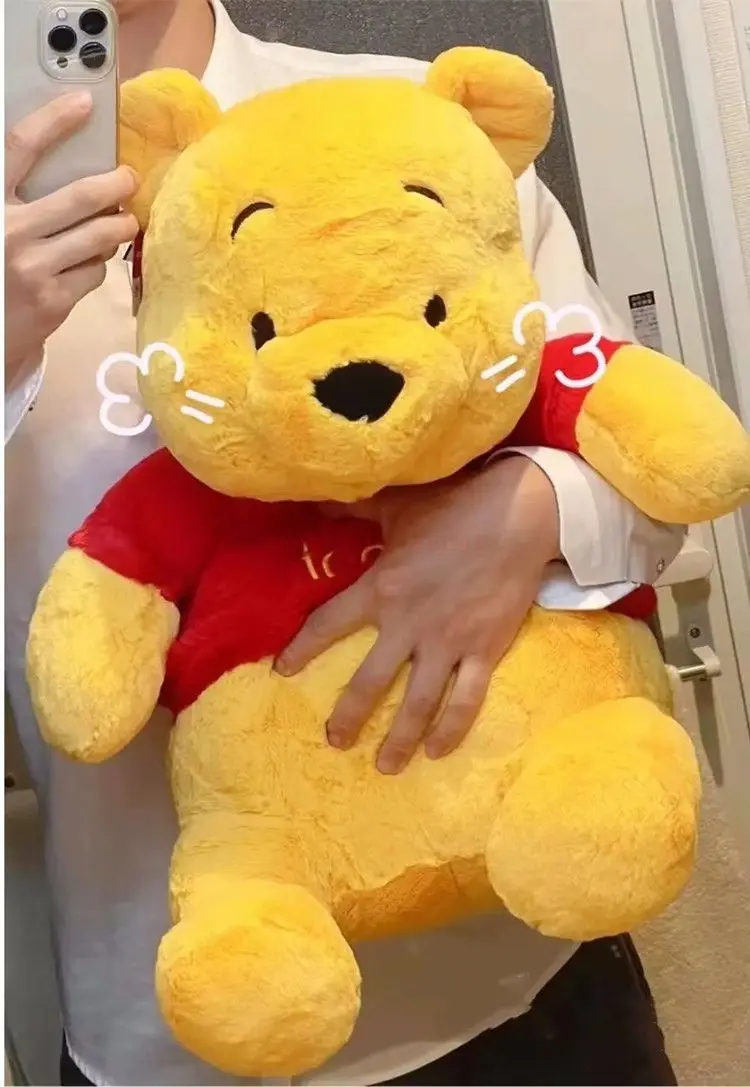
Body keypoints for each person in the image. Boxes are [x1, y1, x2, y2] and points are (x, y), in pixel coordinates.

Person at [4, 1, 684, 1084]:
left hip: (518, 968)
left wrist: (533, 510)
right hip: (176, 1007)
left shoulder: (409, 116)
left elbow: (645, 446)